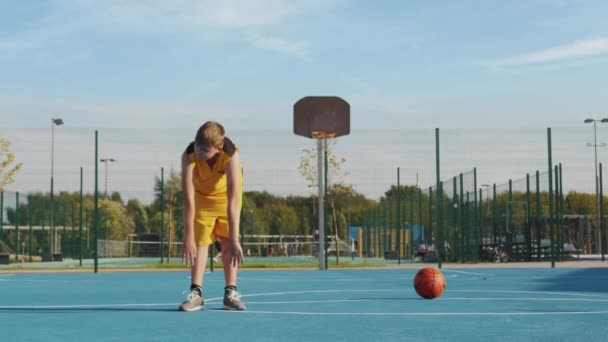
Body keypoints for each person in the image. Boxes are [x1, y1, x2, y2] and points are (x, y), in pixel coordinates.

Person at [178, 121, 246, 312]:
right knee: (199, 244)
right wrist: (188, 235)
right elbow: (188, 199)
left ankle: (230, 295)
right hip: (200, 199)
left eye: (205, 150)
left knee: (228, 243)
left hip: (225, 199)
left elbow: (233, 200)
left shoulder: (231, 155)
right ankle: (196, 294)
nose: (200, 153)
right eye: (198, 147)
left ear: (219, 147)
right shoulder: (189, 155)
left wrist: (235, 238)